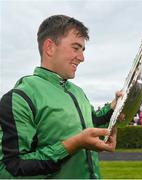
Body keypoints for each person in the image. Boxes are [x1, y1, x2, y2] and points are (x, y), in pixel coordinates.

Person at [0, 15, 123, 179]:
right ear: (50, 47)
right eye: (76, 48)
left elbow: (89, 121)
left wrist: (112, 109)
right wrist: (73, 145)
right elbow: (9, 169)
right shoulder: (20, 97)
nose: (82, 58)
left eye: (83, 50)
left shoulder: (78, 92)